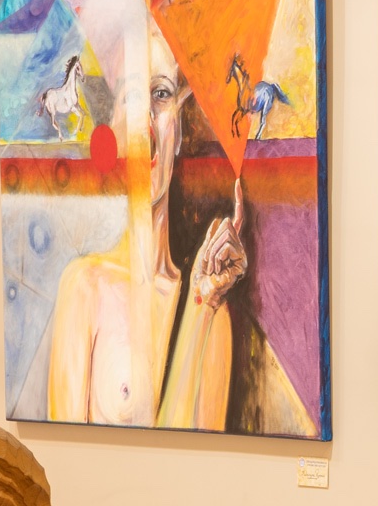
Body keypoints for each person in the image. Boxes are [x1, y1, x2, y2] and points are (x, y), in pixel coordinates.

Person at [42, 27, 249, 429]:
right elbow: (65, 455)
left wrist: (201, 307)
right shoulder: (83, 287)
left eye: (162, 94)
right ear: (115, 127)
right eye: (133, 95)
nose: (147, 116)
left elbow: (193, 458)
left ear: (179, 133)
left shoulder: (212, 311)